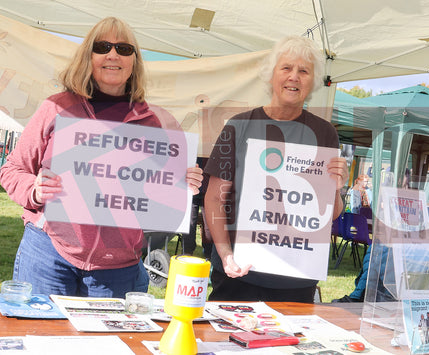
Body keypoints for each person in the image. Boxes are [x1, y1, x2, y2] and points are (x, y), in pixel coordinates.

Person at [0, 17, 203, 298]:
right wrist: (34, 191)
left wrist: (183, 184)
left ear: (134, 62)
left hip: (118, 270)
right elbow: (13, 169)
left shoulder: (152, 124)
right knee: (40, 341)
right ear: (88, 56)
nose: (113, 54)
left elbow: (160, 193)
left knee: (114, 343)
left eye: (123, 48)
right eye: (102, 46)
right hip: (48, 256)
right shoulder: (55, 108)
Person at [203, 35, 348, 303]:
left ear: (313, 82)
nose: (294, 77)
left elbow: (331, 213)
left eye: (304, 71)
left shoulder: (325, 133)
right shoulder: (239, 126)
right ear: (271, 75)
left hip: (296, 278)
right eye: (286, 68)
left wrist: (336, 188)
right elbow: (213, 198)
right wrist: (226, 254)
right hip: (239, 275)